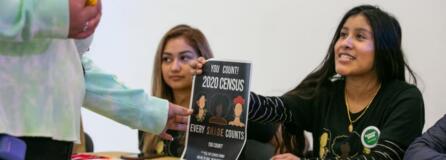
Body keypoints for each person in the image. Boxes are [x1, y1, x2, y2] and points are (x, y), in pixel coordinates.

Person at [192, 4, 424, 159]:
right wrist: (215, 81)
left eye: (360, 36)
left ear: (384, 49)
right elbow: (273, 108)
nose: (345, 43)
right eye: (343, 35)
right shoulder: (326, 91)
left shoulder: (405, 99)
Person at [0, 0, 191, 159]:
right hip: (11, 129)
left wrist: (150, 111)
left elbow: (73, 66)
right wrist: (57, 14)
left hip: (52, 138)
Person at [139, 24, 214, 157]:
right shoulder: (151, 115)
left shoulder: (220, 117)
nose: (174, 67)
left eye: (184, 58)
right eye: (167, 59)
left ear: (202, 61)